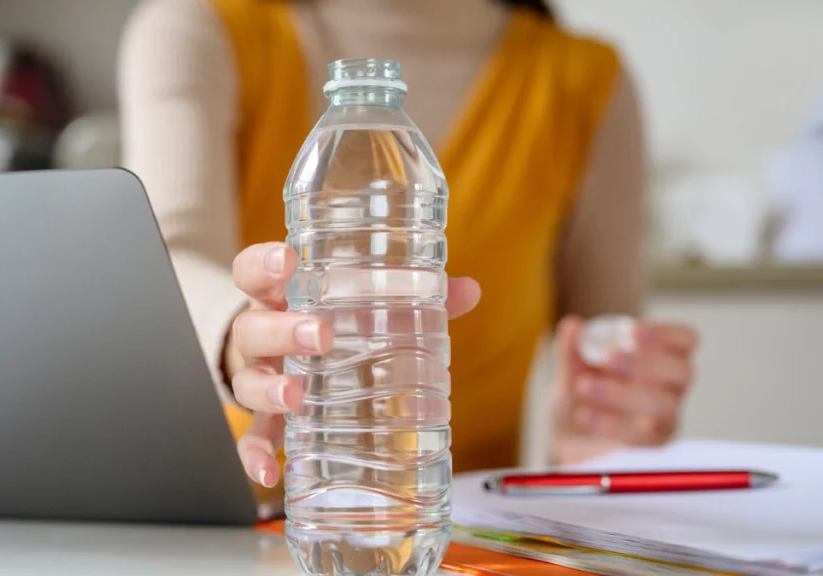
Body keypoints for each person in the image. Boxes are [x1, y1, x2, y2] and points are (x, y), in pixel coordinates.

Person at [118, 0, 699, 489]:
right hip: (216, 532)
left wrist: (600, 443)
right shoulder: (199, 28)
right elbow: (169, 248)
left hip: (449, 540)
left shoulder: (583, 81)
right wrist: (241, 336)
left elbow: (603, 356)